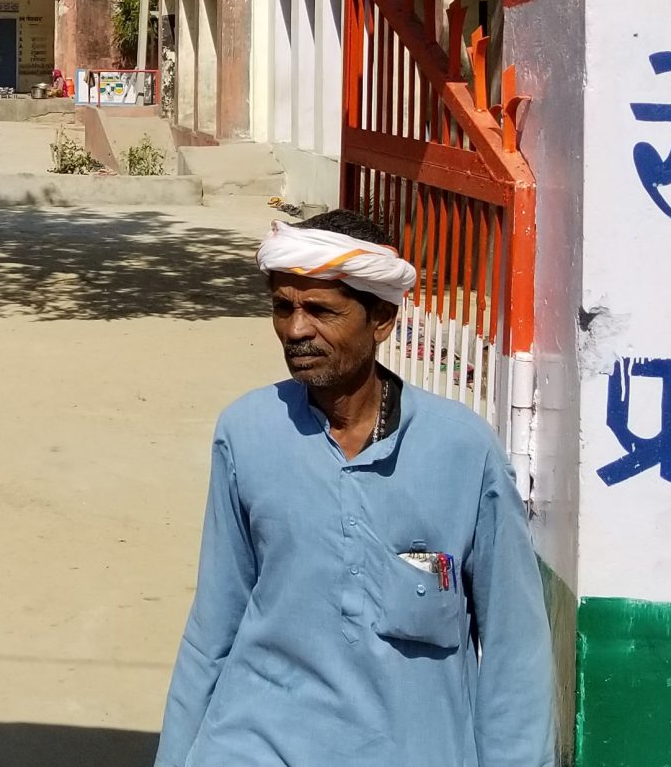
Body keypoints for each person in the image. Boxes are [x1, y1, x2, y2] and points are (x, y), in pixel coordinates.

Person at [157, 209, 552, 767]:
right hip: (251, 742)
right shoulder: (246, 432)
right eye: (283, 308)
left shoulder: (463, 450)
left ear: (382, 319)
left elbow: (516, 649)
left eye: (320, 310)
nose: (296, 330)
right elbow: (214, 621)